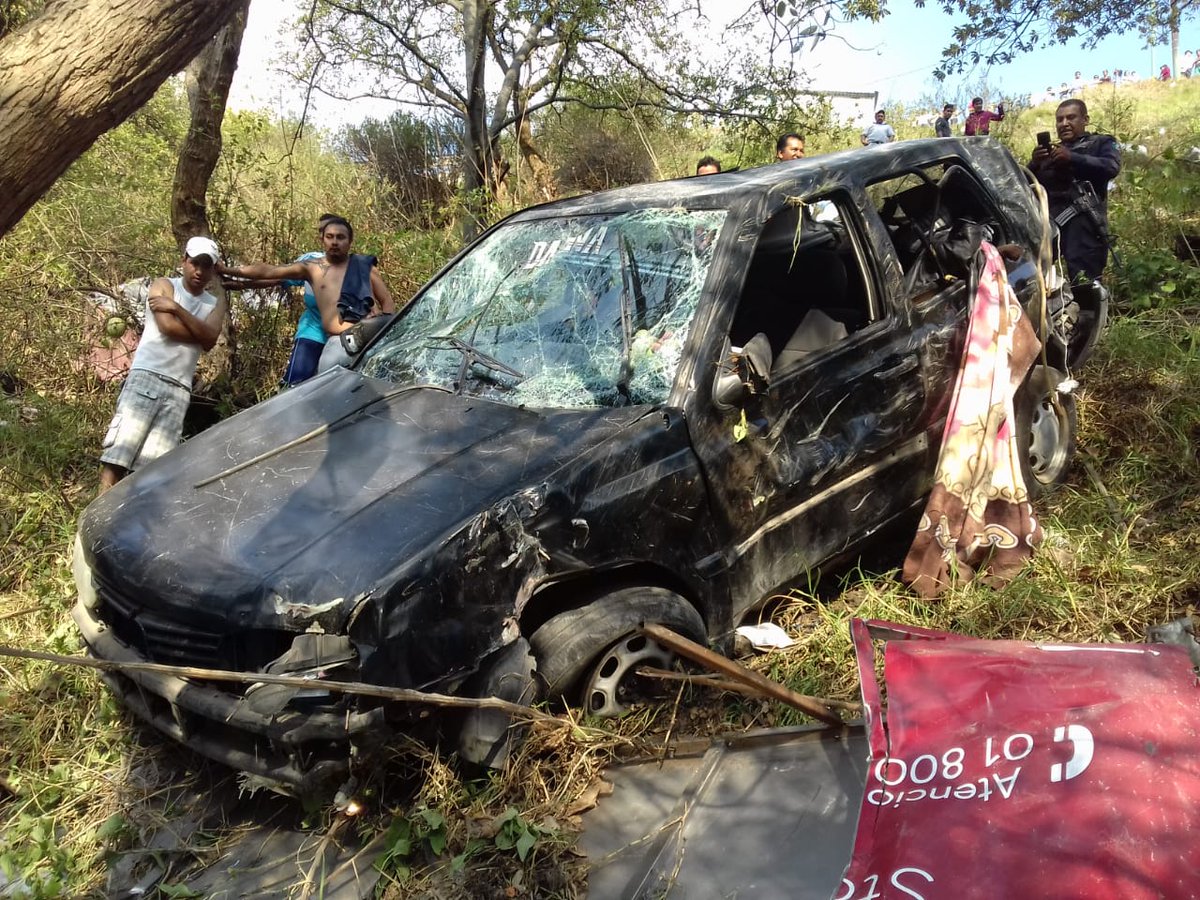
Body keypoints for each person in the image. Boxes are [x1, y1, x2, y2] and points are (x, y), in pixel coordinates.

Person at [99, 236, 227, 491]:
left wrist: (177, 310)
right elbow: (168, 328)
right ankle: (94, 519)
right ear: (184, 261)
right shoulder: (164, 285)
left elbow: (211, 339)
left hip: (179, 388)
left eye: (206, 265)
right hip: (148, 376)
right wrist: (198, 332)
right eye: (194, 263)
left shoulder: (215, 302)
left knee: (152, 470)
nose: (199, 271)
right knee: (118, 456)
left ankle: (131, 525)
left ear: (214, 269)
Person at [219, 217, 396, 374]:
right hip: (337, 344)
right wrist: (229, 272)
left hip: (368, 339)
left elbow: (387, 301)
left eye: (340, 237)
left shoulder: (364, 266)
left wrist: (384, 334)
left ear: (350, 241)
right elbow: (271, 272)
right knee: (315, 391)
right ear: (322, 240)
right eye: (330, 237)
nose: (335, 242)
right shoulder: (312, 267)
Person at [1029, 99, 1122, 281]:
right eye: (1059, 119)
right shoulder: (1049, 153)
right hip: (1046, 229)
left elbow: (1111, 167)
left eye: (1071, 118)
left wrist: (1073, 158)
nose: (1064, 124)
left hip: (1084, 227)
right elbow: (1024, 187)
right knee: (1030, 278)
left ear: (1085, 119)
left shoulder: (1101, 143)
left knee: (1084, 283)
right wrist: (1034, 164)